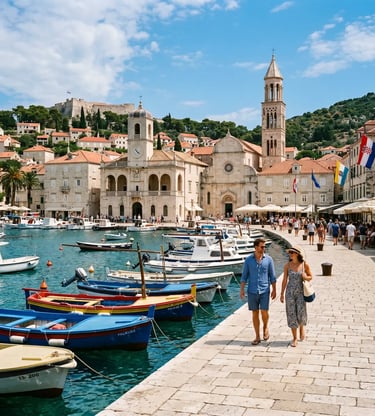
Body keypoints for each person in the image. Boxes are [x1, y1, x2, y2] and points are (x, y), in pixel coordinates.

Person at [240, 237, 277, 345]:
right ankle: (257, 336)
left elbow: (272, 276)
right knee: (255, 313)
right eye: (262, 246)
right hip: (252, 291)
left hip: (265, 290)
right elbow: (244, 276)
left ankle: (265, 327)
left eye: (264, 246)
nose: (264, 248)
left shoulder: (269, 260)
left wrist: (274, 290)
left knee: (264, 311)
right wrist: (242, 290)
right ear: (256, 247)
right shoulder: (248, 260)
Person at [280, 246, 313, 347]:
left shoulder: (304, 265)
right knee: (291, 314)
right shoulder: (287, 266)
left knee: (301, 313)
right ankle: (294, 338)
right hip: (290, 292)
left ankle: (301, 328)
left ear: (297, 254)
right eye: (289, 252)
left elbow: (310, 277)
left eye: (292, 252)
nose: (290, 254)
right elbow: (285, 280)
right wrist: (281, 294)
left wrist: (305, 277)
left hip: (300, 293)